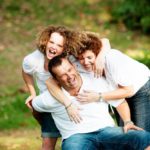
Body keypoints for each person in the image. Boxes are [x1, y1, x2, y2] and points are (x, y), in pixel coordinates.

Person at [32, 55, 150, 150]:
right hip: (76, 137)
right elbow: (35, 107)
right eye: (63, 75)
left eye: (69, 70)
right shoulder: (49, 98)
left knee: (143, 137)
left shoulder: (96, 80)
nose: (69, 76)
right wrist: (46, 124)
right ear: (56, 79)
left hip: (106, 131)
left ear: (74, 66)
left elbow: (120, 102)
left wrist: (128, 121)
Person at [22, 25, 111, 149]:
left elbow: (105, 41)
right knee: (47, 143)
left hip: (73, 99)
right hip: (50, 102)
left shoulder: (70, 58)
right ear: (46, 41)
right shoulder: (33, 59)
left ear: (65, 49)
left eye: (59, 45)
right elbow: (26, 72)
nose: (54, 47)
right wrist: (32, 92)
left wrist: (100, 57)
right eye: (51, 42)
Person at [75, 33, 150, 132]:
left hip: (141, 88)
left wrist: (98, 96)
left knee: (142, 131)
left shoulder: (112, 59)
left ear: (97, 53)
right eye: (81, 58)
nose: (85, 62)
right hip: (119, 91)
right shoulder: (81, 64)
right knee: (125, 129)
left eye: (89, 57)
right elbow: (104, 40)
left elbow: (129, 91)